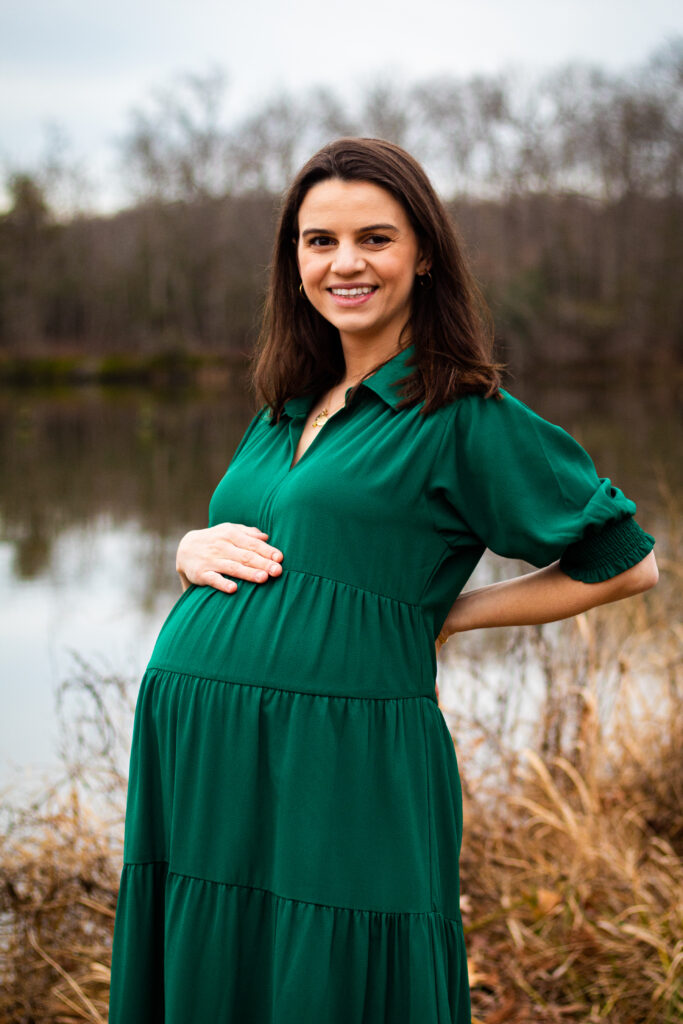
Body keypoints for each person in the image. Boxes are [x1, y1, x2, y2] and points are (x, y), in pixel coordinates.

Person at [107, 138, 657, 1024]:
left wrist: (451, 614)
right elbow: (281, 535)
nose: (344, 263)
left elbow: (627, 562)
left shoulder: (462, 415)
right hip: (204, 754)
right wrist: (185, 546)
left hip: (342, 757)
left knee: (334, 977)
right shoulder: (289, 401)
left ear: (423, 253)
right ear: (293, 261)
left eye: (374, 238)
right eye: (318, 241)